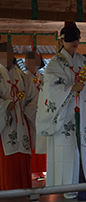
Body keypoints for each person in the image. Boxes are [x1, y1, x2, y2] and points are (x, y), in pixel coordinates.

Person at [35, 22, 86, 199]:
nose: (73, 42)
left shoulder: (85, 62)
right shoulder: (55, 63)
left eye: (75, 38)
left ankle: (84, 184)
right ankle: (67, 188)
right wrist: (70, 88)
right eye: (69, 39)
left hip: (82, 110)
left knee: (81, 147)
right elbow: (50, 88)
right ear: (61, 41)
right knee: (66, 150)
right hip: (64, 114)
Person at [0, 42, 38, 190]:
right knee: (6, 161)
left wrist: (26, 110)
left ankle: (24, 189)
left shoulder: (21, 76)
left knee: (22, 156)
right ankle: (6, 190)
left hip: (22, 123)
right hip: (5, 126)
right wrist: (4, 106)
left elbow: (34, 97)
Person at [25, 51, 47, 180]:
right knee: (31, 139)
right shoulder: (23, 77)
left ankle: (42, 169)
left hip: (42, 111)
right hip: (29, 112)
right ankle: (33, 169)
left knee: (42, 138)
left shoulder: (44, 77)